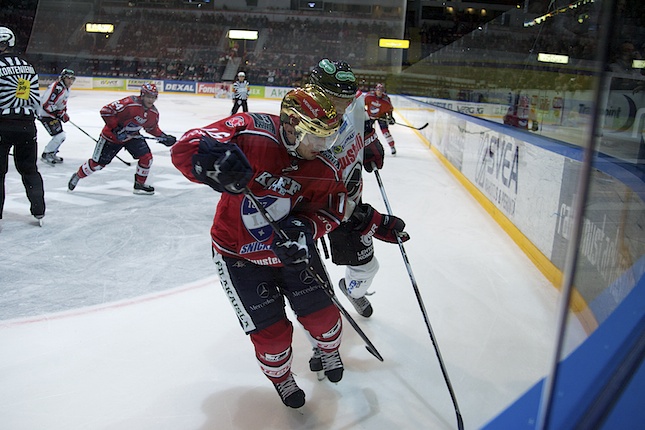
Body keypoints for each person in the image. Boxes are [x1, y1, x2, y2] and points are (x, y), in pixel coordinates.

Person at [172, 85, 400, 409]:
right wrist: (206, 159)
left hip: (295, 253)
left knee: (325, 320)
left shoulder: (323, 164)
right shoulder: (254, 132)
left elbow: (334, 210)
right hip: (238, 257)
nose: (323, 147)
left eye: (328, 138)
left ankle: (329, 350)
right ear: (291, 125)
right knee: (273, 338)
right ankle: (282, 378)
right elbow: (188, 144)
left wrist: (306, 229)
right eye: (316, 137)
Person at [307, 59, 408, 369]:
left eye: (347, 96)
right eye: (336, 96)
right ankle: (320, 346)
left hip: (351, 203)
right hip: (311, 209)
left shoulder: (356, 103)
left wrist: (370, 142)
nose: (343, 103)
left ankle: (352, 290)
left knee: (367, 267)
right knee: (311, 285)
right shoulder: (303, 119)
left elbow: (362, 123)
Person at [67, 83, 176, 195]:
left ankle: (139, 184)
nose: (151, 100)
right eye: (148, 96)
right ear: (142, 95)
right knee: (97, 164)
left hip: (131, 137)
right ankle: (78, 176)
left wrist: (163, 137)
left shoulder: (153, 113)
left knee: (147, 158)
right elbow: (106, 110)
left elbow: (151, 128)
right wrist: (116, 128)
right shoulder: (129, 103)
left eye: (153, 97)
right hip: (111, 138)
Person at [0, 26, 45, 226]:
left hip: (2, 125)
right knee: (29, 169)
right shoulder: (28, 65)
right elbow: (35, 99)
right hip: (27, 126)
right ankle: (39, 210)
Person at [39, 68, 75, 165]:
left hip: (51, 115)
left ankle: (51, 153)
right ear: (63, 78)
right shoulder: (56, 87)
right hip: (45, 115)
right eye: (68, 78)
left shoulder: (65, 89)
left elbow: (61, 104)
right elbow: (46, 104)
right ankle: (46, 154)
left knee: (61, 136)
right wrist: (59, 114)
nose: (70, 81)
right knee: (60, 135)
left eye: (72, 79)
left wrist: (64, 113)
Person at [365, 83, 398, 155]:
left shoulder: (386, 100)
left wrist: (390, 117)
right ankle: (364, 147)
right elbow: (362, 104)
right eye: (378, 90)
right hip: (370, 116)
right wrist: (364, 113)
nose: (379, 92)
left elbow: (389, 110)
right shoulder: (369, 96)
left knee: (385, 132)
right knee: (366, 131)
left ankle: (392, 147)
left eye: (381, 91)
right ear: (375, 90)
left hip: (381, 116)